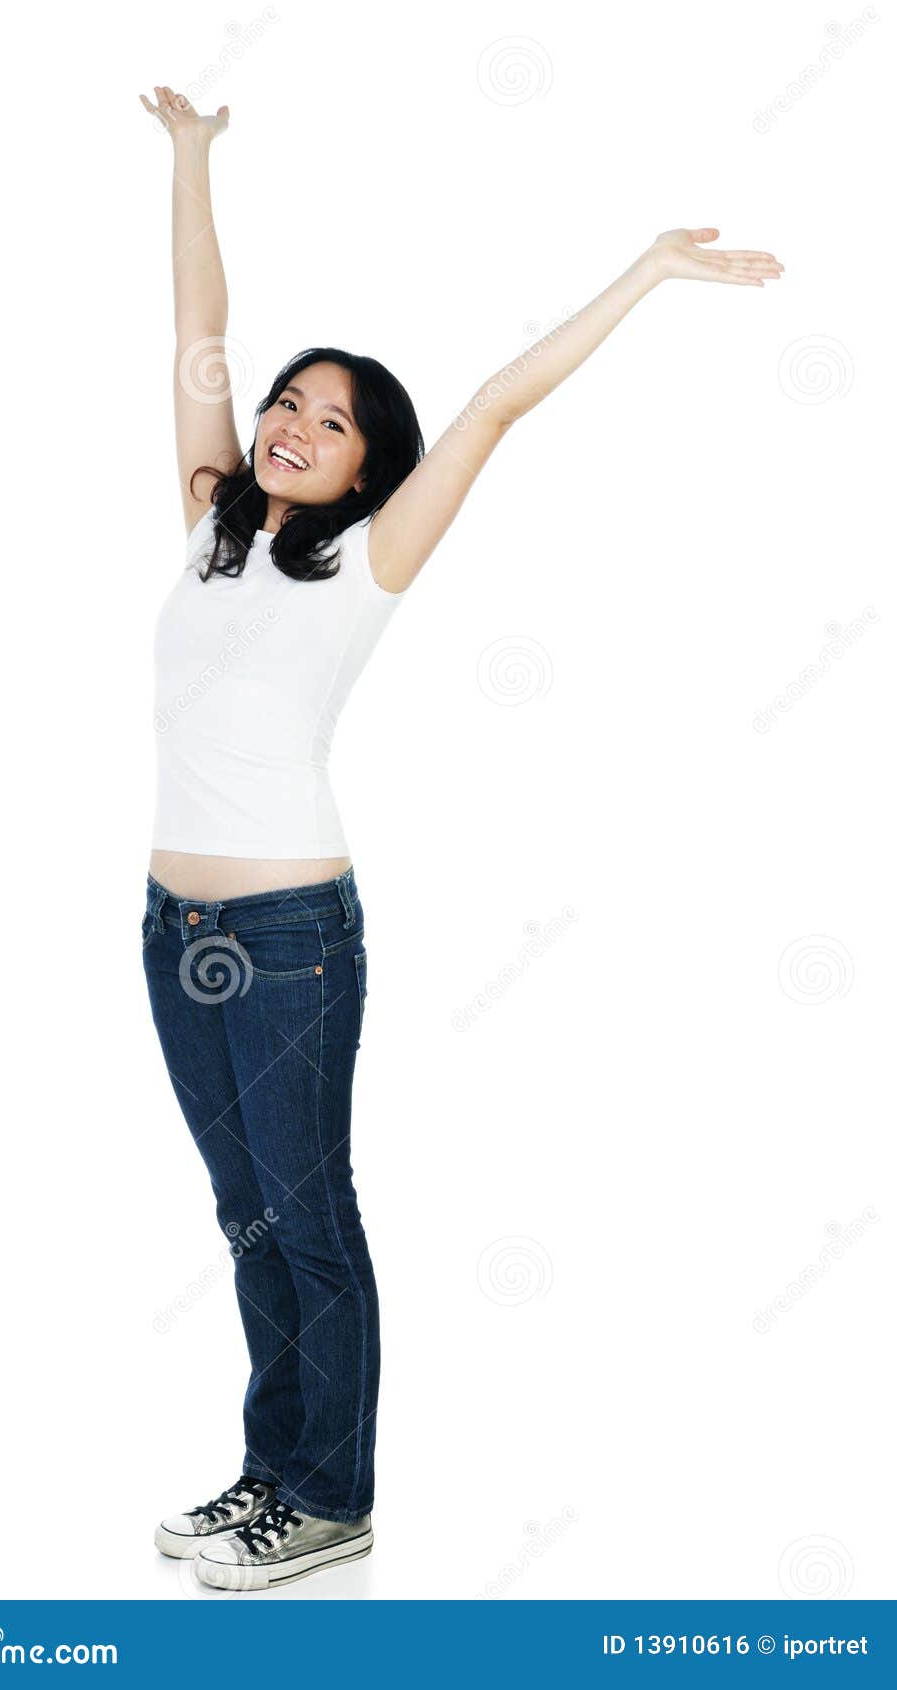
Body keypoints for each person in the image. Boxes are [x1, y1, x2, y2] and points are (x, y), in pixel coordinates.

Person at [137, 83, 783, 1593]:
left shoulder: (365, 561)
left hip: (291, 936)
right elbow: (197, 336)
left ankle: (330, 1496)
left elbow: (495, 400)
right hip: (173, 930)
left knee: (309, 1212)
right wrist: (190, 159)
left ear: (368, 466)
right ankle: (269, 1471)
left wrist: (641, 273)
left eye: (332, 420)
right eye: (287, 406)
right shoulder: (209, 527)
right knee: (245, 1217)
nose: (292, 425)